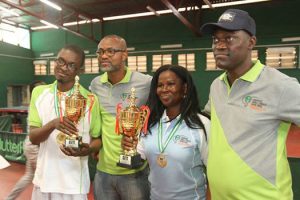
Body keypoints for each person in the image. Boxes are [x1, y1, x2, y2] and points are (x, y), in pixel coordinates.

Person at [200, 9, 300, 200]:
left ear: (251, 43)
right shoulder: (217, 86)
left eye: (229, 38)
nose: (219, 46)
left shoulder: (280, 86)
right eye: (215, 39)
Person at [122, 64, 210, 200]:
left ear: (185, 88)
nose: (164, 89)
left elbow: (214, 171)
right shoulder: (149, 124)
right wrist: (129, 147)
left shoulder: (201, 124)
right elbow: (138, 159)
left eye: (170, 84)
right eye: (160, 85)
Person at [28, 44, 101, 200]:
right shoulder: (39, 93)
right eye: (60, 61)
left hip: (74, 185)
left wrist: (86, 150)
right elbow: (33, 138)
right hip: (44, 181)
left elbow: (97, 140)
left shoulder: (90, 100)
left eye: (71, 65)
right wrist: (52, 124)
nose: (63, 67)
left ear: (80, 70)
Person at [90, 34, 152, 200]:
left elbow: (160, 113)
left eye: (111, 51)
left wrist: (142, 139)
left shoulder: (145, 82)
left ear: (124, 54)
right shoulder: (96, 84)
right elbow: (93, 120)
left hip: (135, 174)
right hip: (103, 172)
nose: (104, 56)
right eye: (100, 51)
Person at [5, 81, 45, 200]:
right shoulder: (37, 107)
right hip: (34, 147)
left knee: (29, 176)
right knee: (44, 178)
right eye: (40, 88)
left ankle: (9, 198)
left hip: (32, 146)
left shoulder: (42, 104)